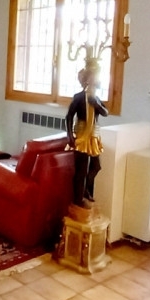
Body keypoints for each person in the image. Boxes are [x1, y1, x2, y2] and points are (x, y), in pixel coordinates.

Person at [65, 66, 109, 207]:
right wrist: (70, 135)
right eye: (94, 77)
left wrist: (97, 105)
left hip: (93, 137)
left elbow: (105, 112)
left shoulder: (95, 98)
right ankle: (78, 199)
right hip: (82, 136)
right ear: (87, 80)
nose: (97, 80)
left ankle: (86, 190)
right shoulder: (78, 97)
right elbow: (69, 116)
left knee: (96, 167)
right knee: (81, 171)